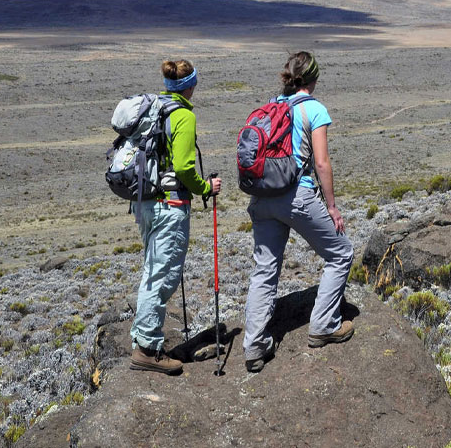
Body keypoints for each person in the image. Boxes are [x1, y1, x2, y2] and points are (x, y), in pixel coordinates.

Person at [243, 51, 354, 372]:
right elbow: (321, 162)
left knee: (264, 270)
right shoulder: (313, 109)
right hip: (297, 195)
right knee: (341, 253)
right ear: (314, 79)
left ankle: (254, 346)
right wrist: (331, 207)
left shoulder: (272, 106)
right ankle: (324, 325)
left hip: (262, 198)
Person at [129, 59, 222, 375]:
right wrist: (206, 186)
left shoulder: (155, 109)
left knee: (152, 271)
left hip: (146, 204)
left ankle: (143, 341)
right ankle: (148, 350)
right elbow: (183, 167)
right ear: (190, 85)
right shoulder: (182, 116)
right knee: (163, 275)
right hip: (170, 205)